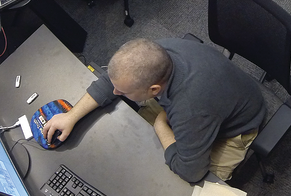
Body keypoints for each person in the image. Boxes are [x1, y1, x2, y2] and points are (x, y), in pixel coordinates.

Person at [43, 37, 267, 183]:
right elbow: (111, 82)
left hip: (236, 127)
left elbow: (192, 171)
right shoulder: (155, 53)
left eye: (123, 91)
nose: (116, 92)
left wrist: (161, 125)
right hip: (213, 96)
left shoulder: (190, 110)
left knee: (195, 187)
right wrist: (71, 116)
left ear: (154, 89)